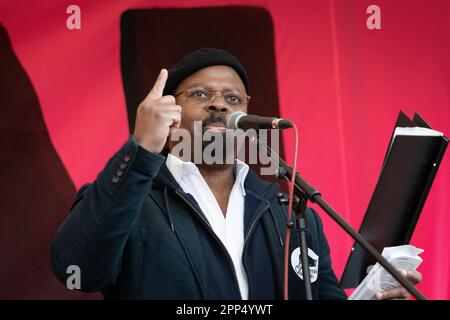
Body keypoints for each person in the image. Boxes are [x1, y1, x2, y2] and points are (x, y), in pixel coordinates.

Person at [50, 47, 421, 299]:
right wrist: (141, 149)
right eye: (198, 94)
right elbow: (77, 268)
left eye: (232, 99)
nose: (217, 103)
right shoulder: (132, 197)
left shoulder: (286, 208)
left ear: (246, 116)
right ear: (170, 110)